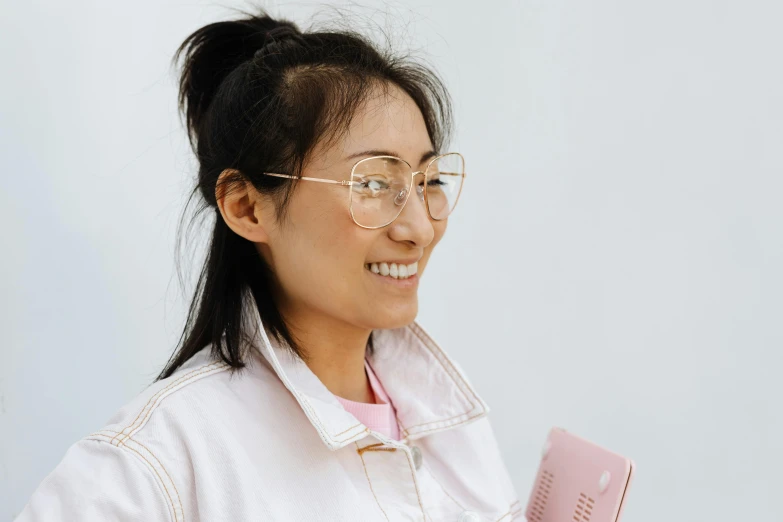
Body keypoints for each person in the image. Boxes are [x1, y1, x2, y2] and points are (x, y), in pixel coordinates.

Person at [16, 9, 520, 521]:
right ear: (246, 206)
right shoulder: (159, 463)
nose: (418, 228)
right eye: (371, 183)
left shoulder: (449, 419)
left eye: (428, 181)